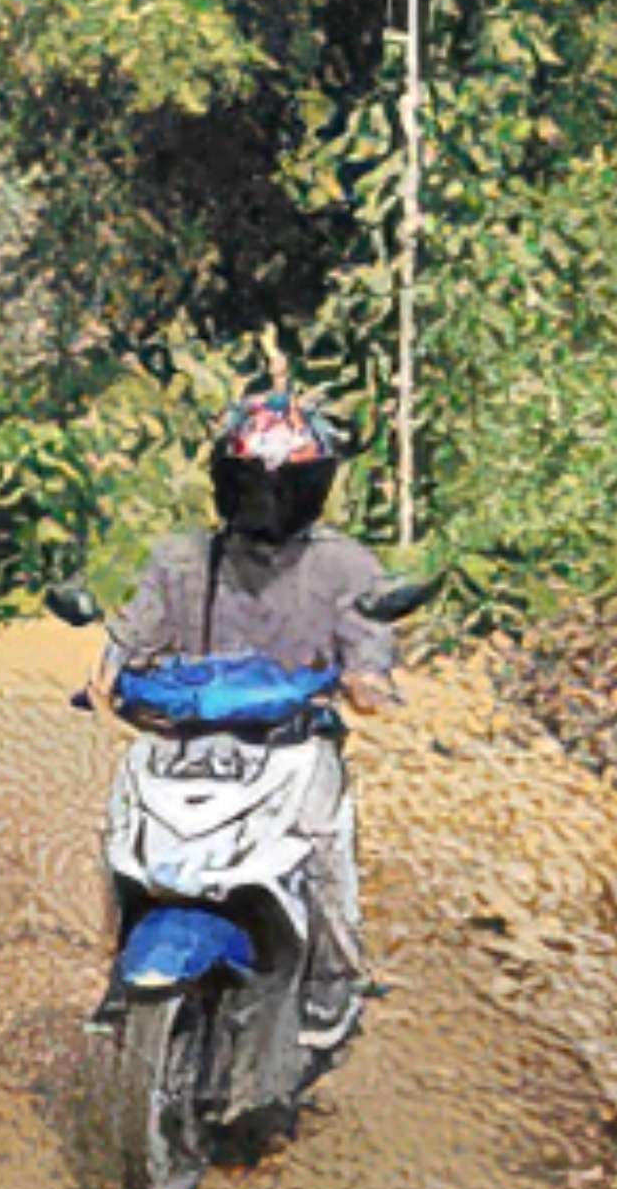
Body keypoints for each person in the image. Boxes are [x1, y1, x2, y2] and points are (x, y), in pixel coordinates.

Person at [86, 382, 397, 1047]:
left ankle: (332, 981)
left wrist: (367, 681)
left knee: (324, 849)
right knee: (122, 836)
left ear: (315, 487)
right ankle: (120, 961)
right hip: (183, 741)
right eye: (252, 484)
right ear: (226, 483)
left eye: (285, 486)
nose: (268, 501)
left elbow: (369, 653)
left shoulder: (346, 566)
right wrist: (107, 671)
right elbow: (132, 636)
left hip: (294, 746)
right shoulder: (181, 559)